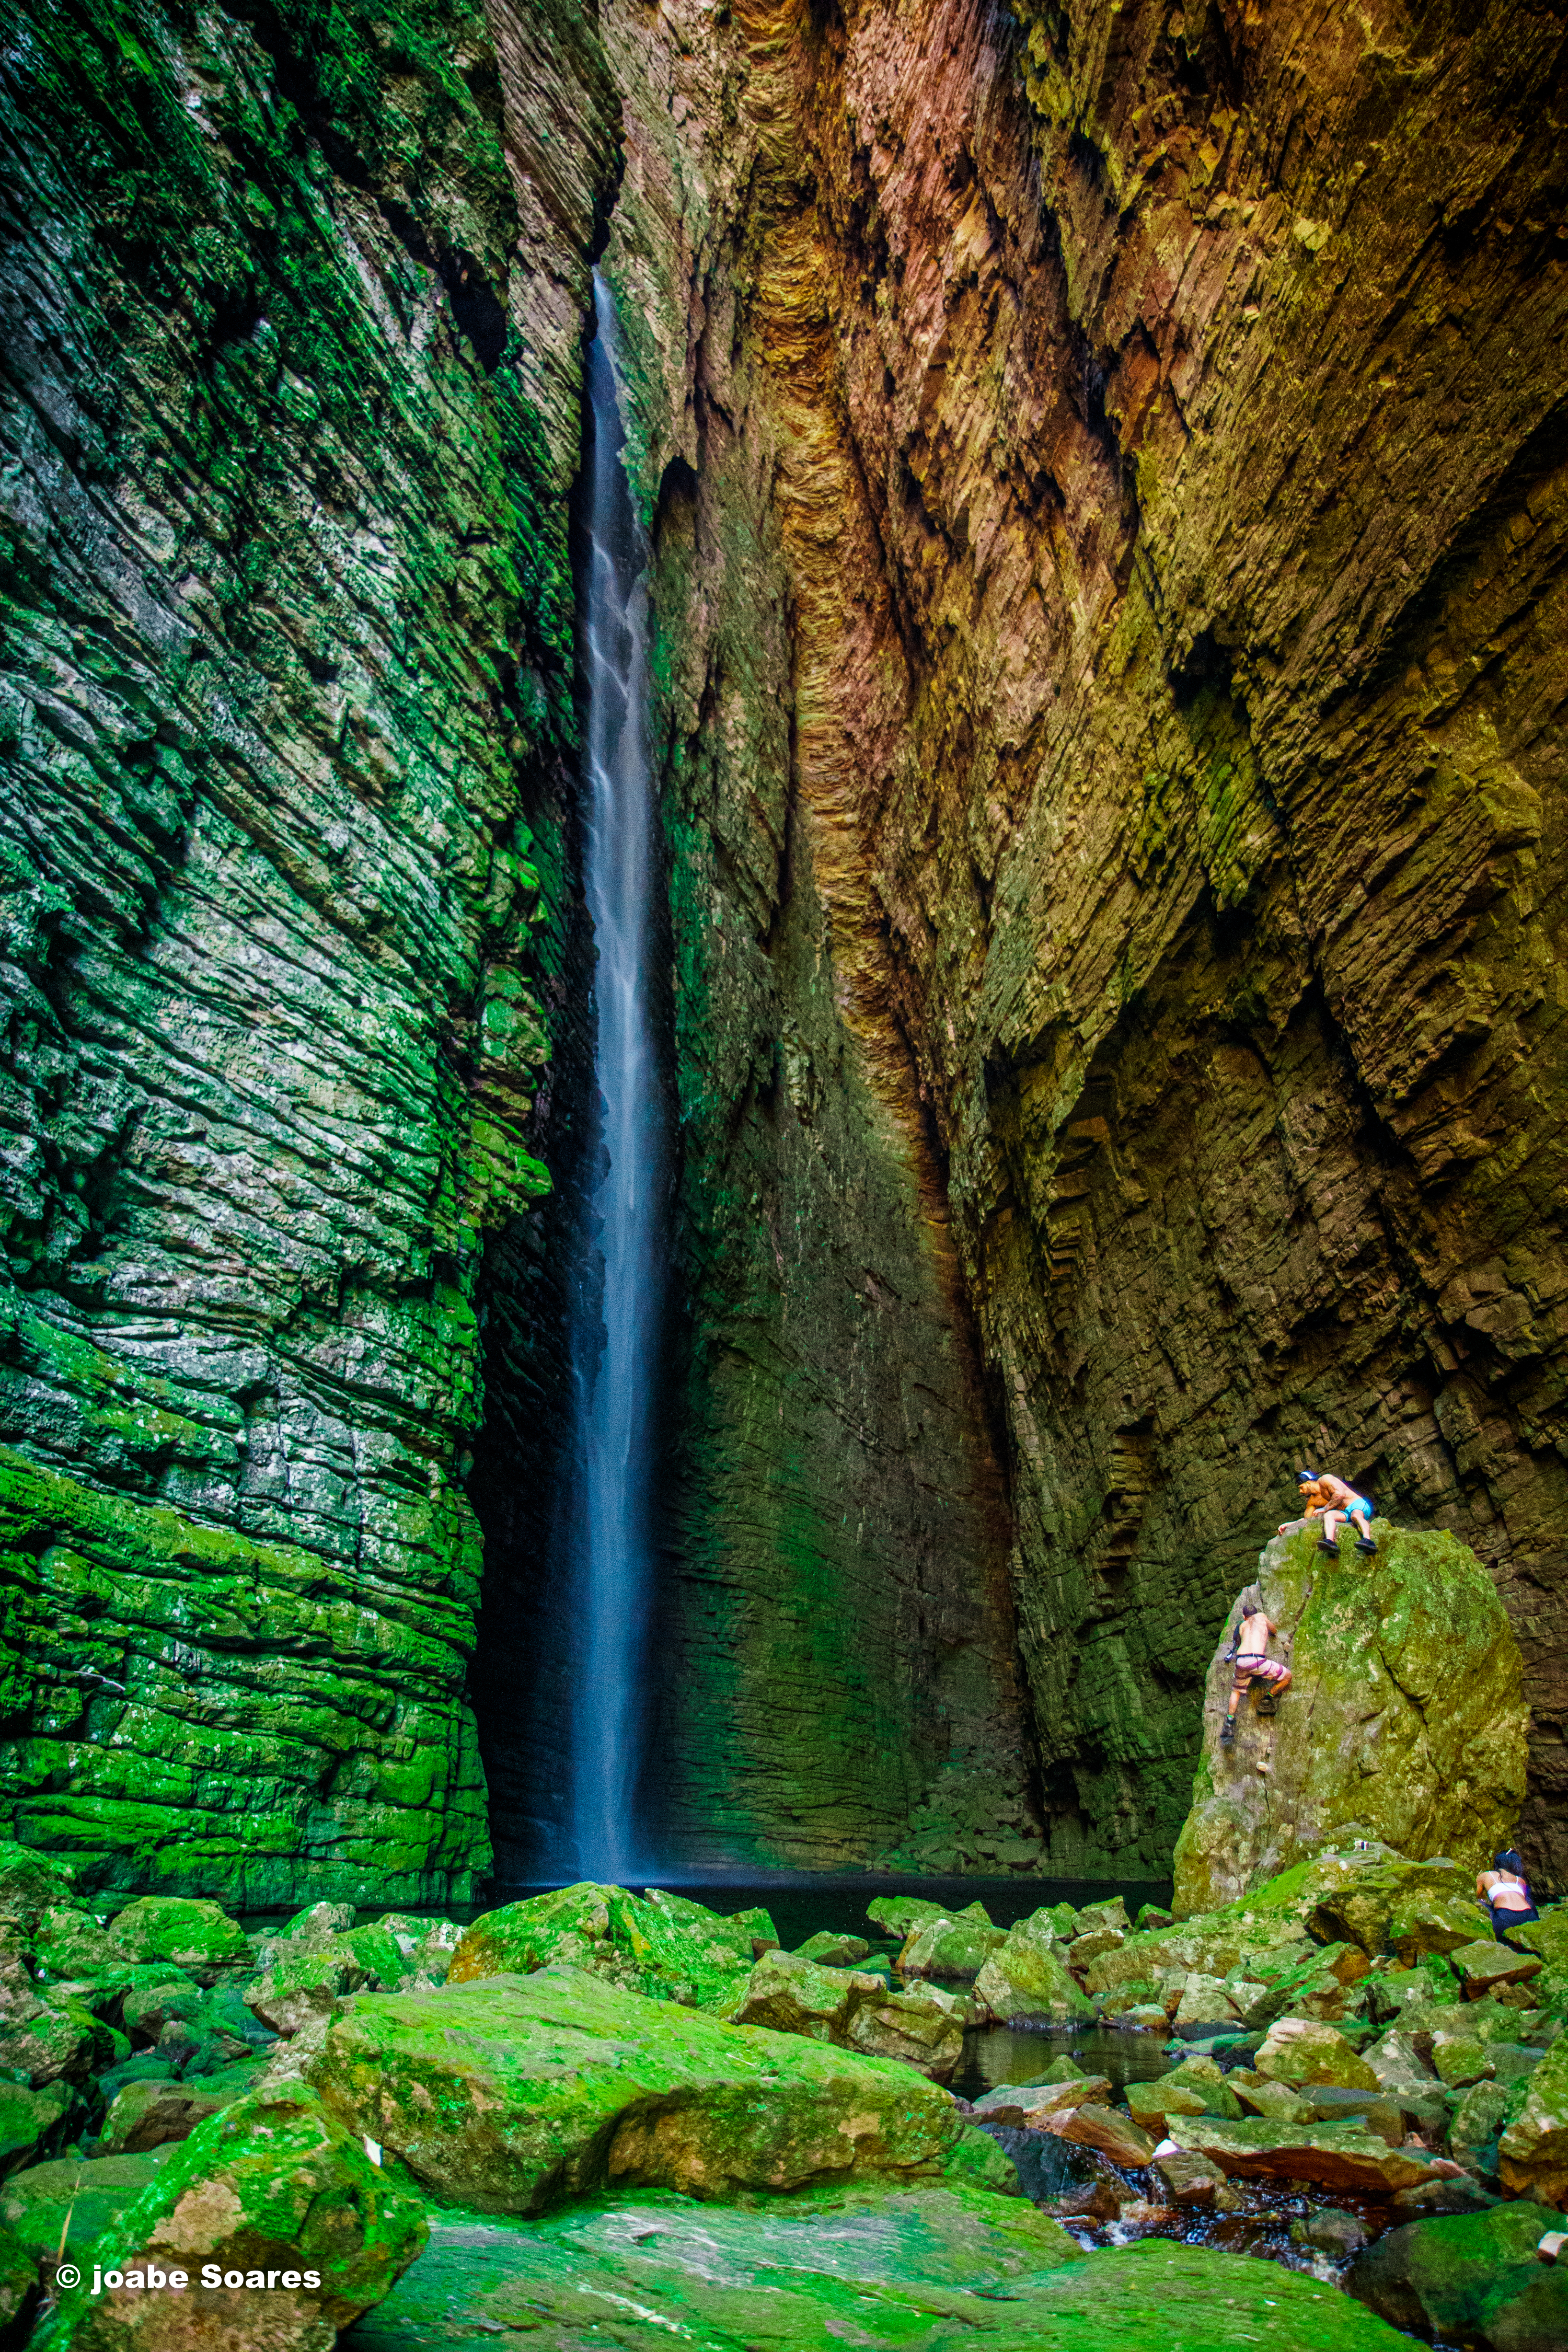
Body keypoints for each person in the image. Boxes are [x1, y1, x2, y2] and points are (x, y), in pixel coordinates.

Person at [1219, 1585, 1292, 1748]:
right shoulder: (1261, 1617)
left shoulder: (1242, 1625)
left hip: (1241, 1662)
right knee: (1287, 1676)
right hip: (1257, 1661)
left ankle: (1229, 1722)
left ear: (1244, 1616)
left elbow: (1239, 1641)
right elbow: (1274, 1630)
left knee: (1236, 1691)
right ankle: (1267, 1700)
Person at [1294, 1467, 1377, 1557]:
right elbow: (1308, 1520)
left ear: (1309, 1483)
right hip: (1345, 1513)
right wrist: (1292, 1524)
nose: (1300, 1491)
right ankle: (1330, 1542)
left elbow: (1340, 1495)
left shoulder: (1325, 1479)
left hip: (1357, 1504)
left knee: (1355, 1515)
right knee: (1329, 1515)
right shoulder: (1313, 1500)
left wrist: (1325, 1508)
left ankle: (1368, 1541)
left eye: (1301, 1487)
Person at [1477, 1848, 1540, 1947]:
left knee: (1479, 1902)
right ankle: (1538, 1922)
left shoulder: (1486, 1875)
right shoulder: (1520, 1880)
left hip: (1504, 1917)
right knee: (1528, 1899)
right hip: (1528, 1916)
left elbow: (1476, 1896)